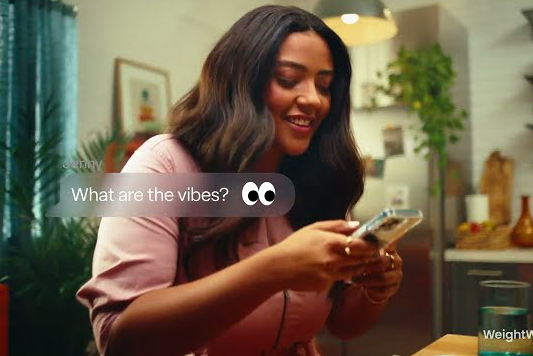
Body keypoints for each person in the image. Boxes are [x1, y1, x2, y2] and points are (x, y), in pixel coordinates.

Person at [76, 5, 404, 356]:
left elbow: (342, 324)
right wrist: (275, 269)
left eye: (324, 86)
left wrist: (373, 289)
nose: (313, 100)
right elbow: (120, 339)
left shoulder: (316, 180)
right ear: (240, 81)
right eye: (288, 80)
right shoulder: (164, 166)